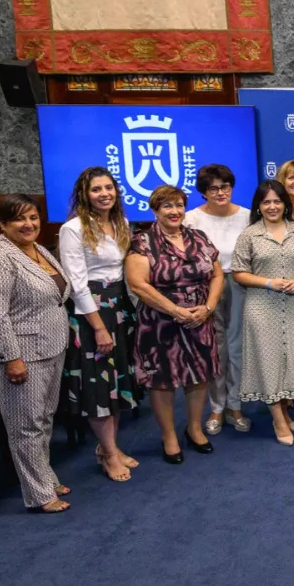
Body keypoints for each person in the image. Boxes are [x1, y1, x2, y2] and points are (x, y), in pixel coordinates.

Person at [0, 195, 72, 513]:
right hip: (19, 356)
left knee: (43, 420)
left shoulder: (37, 249)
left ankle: (44, 477)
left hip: (51, 346)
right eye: (19, 219)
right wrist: (11, 359)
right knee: (25, 427)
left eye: (32, 216)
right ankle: (40, 495)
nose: (28, 224)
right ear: (3, 224)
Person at [125, 186, 223, 464]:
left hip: (200, 318)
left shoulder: (199, 237)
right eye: (167, 206)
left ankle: (194, 428)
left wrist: (208, 307)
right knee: (162, 381)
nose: (174, 211)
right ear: (155, 210)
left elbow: (216, 275)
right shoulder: (142, 242)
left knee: (200, 376)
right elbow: (138, 285)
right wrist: (176, 311)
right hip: (160, 323)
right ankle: (169, 435)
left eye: (179, 205)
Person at [57, 167, 138, 482]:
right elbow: (76, 284)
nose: (104, 193)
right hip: (91, 312)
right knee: (98, 385)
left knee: (115, 382)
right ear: (84, 195)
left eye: (109, 187)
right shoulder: (73, 229)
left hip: (119, 308)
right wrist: (99, 327)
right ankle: (109, 453)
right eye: (96, 189)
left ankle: (109, 448)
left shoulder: (122, 223)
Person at [230, 180, 294, 446]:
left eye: (277, 201)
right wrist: (268, 282)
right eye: (266, 202)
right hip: (260, 307)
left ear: (285, 204)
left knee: (289, 359)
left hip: (293, 305)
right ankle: (278, 419)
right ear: (259, 205)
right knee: (268, 363)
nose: (272, 206)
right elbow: (238, 273)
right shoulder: (249, 235)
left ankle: (283, 408)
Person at [184, 164, 252, 436]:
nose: (221, 192)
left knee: (237, 347)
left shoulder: (247, 216)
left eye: (225, 187)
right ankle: (216, 407)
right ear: (204, 192)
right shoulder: (191, 219)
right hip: (205, 287)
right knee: (215, 348)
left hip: (239, 282)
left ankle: (235, 405)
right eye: (214, 188)